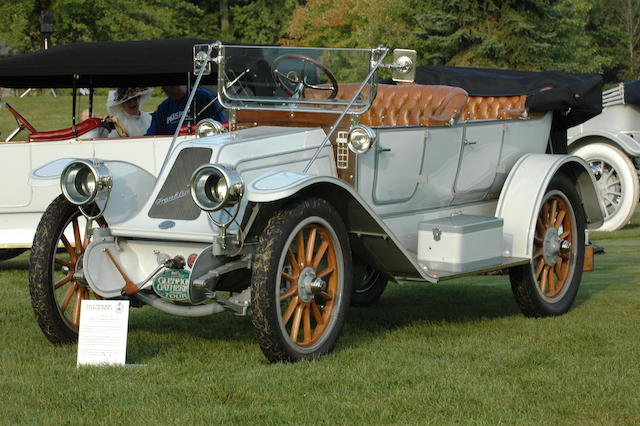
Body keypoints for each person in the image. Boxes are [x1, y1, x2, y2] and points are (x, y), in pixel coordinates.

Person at [145, 86, 225, 136]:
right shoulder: (164, 107)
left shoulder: (203, 97)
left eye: (168, 87)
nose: (165, 89)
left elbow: (220, 126)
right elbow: (153, 134)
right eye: (163, 88)